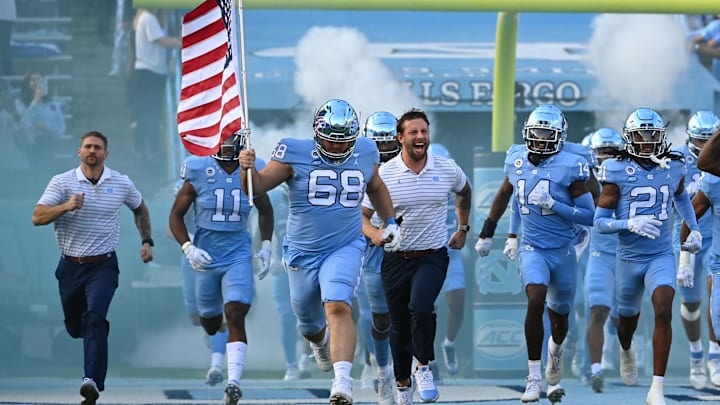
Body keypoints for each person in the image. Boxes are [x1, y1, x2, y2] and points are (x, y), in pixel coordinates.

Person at [238, 99, 400, 405]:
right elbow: (256, 187)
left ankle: (342, 382)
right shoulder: (293, 151)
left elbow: (375, 186)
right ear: (317, 133)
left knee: (338, 305)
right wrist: (244, 168)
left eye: (345, 142)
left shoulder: (365, 150)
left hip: (345, 245)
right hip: (302, 251)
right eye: (331, 141)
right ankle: (320, 341)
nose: (338, 148)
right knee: (308, 324)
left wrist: (390, 221)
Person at [475, 104, 595, 404]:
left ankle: (556, 351)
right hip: (533, 248)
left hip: (564, 250)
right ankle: (533, 376)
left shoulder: (571, 165)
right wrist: (492, 233)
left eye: (547, 135)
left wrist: (555, 204)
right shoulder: (516, 159)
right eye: (536, 134)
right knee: (535, 299)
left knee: (560, 319)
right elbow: (507, 195)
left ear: (560, 137)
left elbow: (590, 215)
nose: (540, 141)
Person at [31, 130, 154, 405]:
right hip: (70, 266)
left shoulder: (120, 182)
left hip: (103, 265)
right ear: (79, 151)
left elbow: (140, 207)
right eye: (87, 146)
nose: (92, 151)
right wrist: (66, 206)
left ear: (105, 154)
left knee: (95, 318)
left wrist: (147, 241)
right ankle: (87, 346)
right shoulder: (62, 182)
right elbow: (37, 217)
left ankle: (92, 381)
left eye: (98, 147)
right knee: (77, 327)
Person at [593, 108, 702, 405]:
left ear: (662, 136)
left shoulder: (673, 166)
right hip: (628, 257)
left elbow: (680, 196)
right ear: (629, 138)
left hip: (660, 254)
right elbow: (599, 223)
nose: (646, 141)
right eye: (640, 135)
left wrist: (693, 228)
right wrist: (628, 223)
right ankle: (626, 348)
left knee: (664, 307)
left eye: (652, 135)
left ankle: (657, 387)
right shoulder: (616, 170)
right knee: (626, 322)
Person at [368, 108, 471, 405]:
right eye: (413, 132)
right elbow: (363, 216)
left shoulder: (446, 167)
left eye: (424, 131)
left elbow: (464, 191)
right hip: (396, 258)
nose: (420, 137)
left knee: (422, 307)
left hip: (432, 255)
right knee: (398, 326)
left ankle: (424, 366)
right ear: (400, 138)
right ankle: (402, 386)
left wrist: (463, 227)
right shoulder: (384, 174)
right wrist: (376, 235)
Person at [169, 133, 274, 405]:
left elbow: (265, 209)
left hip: (238, 250)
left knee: (235, 312)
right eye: (223, 140)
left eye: (232, 140)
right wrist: (187, 247)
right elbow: (176, 214)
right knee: (210, 322)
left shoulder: (251, 168)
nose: (228, 146)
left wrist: (266, 244)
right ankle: (215, 339)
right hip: (205, 251)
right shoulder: (198, 167)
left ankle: (233, 382)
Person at [673, 110, 719, 390]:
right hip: (685, 235)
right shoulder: (676, 160)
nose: (703, 147)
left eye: (708, 140)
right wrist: (684, 259)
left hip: (715, 233)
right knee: (691, 302)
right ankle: (696, 357)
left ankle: (715, 358)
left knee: (716, 289)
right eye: (699, 140)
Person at [359, 111, 401, 405]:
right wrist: (376, 234)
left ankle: (412, 370)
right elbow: (358, 215)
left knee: (416, 310)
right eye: (379, 144)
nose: (385, 151)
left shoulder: (414, 164)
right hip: (373, 250)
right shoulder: (358, 165)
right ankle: (381, 366)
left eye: (389, 143)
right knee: (379, 316)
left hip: (413, 248)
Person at [170, 179, 230, 387]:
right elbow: (171, 230)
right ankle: (210, 331)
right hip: (190, 257)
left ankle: (216, 363)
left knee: (217, 310)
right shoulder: (183, 190)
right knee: (196, 315)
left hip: (218, 256)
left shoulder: (221, 190)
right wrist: (190, 242)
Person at [582, 128, 624, 393]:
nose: (606, 157)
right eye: (602, 152)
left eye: (611, 152)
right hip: (597, 252)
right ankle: (595, 367)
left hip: (626, 253)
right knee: (597, 309)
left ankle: (628, 350)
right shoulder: (584, 179)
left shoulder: (630, 176)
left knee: (624, 316)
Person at [266, 183, 313, 381]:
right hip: (284, 262)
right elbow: (261, 227)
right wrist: (268, 255)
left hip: (309, 263)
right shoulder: (274, 197)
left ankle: (305, 356)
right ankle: (291, 365)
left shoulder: (315, 194)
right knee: (286, 316)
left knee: (310, 313)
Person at [427, 143, 466, 377]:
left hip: (451, 254)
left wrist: (465, 231)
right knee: (427, 311)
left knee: (457, 306)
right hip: (427, 254)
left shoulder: (457, 185)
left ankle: (449, 343)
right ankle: (428, 357)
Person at [130, 8, 180, 161]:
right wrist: (183, 42)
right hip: (149, 73)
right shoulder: (148, 18)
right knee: (149, 115)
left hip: (150, 72)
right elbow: (162, 40)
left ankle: (146, 150)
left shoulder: (146, 18)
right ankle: (148, 151)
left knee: (149, 115)